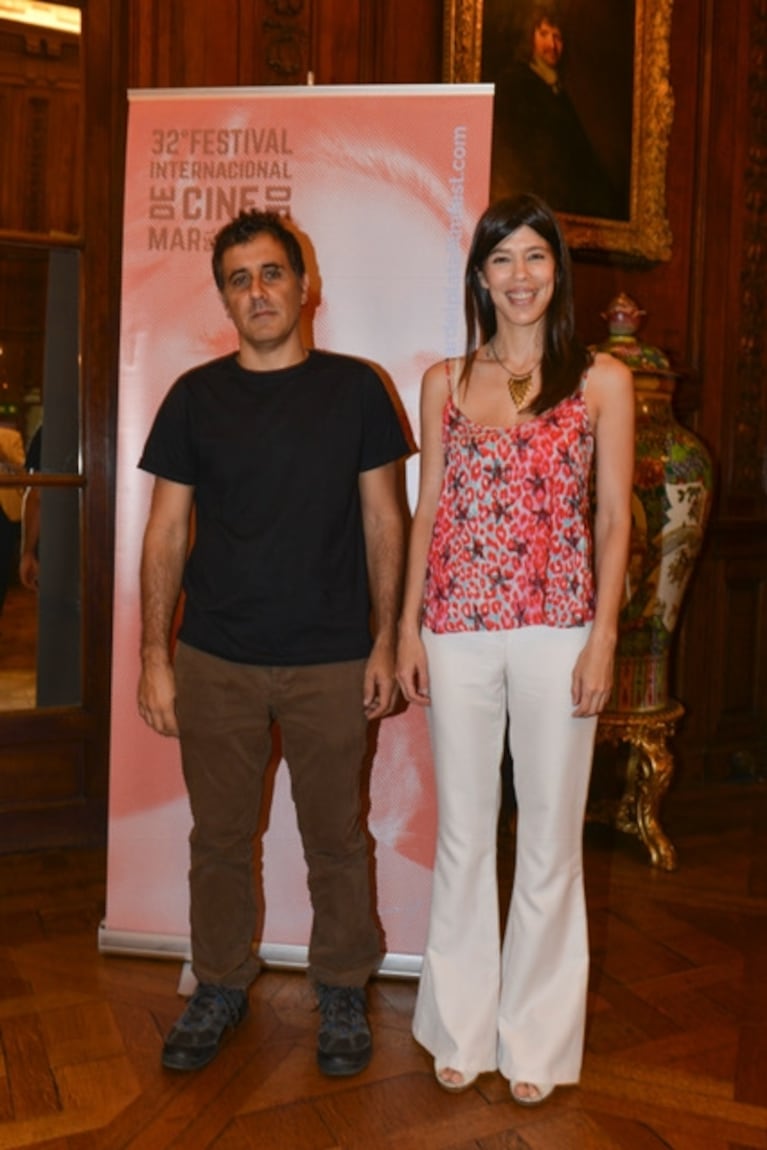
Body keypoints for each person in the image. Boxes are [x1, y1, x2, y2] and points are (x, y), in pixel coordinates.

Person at [137, 209, 409, 1076]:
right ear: (224, 297)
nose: (256, 292)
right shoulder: (193, 397)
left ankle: (340, 988)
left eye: (270, 273)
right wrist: (152, 655)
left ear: (304, 284)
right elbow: (166, 532)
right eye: (238, 279)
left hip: (332, 657)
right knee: (218, 839)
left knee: (337, 836)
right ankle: (218, 985)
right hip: (214, 657)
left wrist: (383, 642)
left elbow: (383, 522)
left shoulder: (357, 389)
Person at [396, 194, 634, 1105]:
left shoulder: (599, 380)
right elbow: (429, 514)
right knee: (463, 835)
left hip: (557, 627)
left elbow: (612, 520)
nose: (521, 276)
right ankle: (458, 1027)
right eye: (503, 260)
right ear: (480, 275)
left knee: (547, 840)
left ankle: (534, 1038)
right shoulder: (444, 382)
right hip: (456, 629)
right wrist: (409, 629)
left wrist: (603, 635)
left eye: (536, 258)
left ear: (556, 272)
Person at [491, 5, 623, 219]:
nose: (552, 45)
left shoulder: (556, 90)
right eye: (544, 34)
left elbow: (578, 154)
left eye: (558, 37)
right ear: (529, 36)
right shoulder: (515, 83)